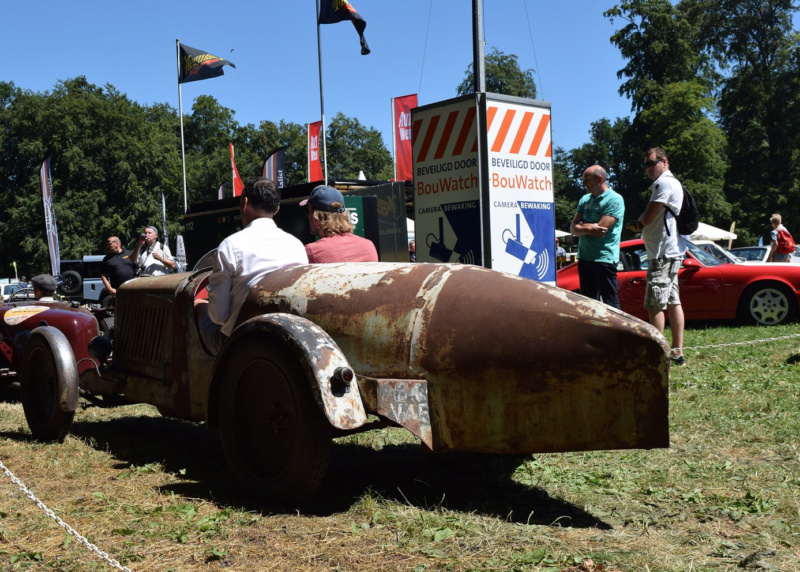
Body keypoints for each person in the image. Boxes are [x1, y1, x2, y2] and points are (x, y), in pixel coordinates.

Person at [198, 177, 308, 354]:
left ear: (245, 203)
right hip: (288, 342)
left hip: (242, 343)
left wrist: (201, 305)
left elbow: (218, 317)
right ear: (276, 208)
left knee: (201, 311)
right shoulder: (297, 246)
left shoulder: (230, 245)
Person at [626, 147, 686, 367]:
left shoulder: (662, 184)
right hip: (670, 251)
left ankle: (657, 355)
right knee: (672, 301)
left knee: (655, 304)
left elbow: (649, 216)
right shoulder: (674, 183)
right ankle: (677, 351)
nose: (649, 168)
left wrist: (638, 223)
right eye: (646, 165)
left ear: (665, 162)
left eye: (652, 163)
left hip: (661, 254)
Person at [569, 165, 624, 309]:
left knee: (610, 304)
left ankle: (614, 332)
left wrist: (583, 226)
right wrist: (590, 227)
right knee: (588, 304)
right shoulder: (585, 199)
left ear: (599, 179)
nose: (583, 183)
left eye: (587, 180)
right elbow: (572, 228)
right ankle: (592, 332)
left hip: (604, 259)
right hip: (585, 257)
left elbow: (601, 231)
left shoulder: (615, 199)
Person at [302, 185, 379, 263]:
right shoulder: (369, 246)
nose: (308, 217)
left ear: (315, 219)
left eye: (308, 212)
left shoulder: (311, 251)